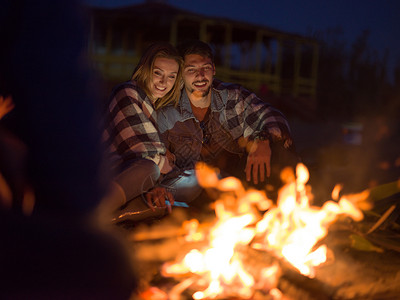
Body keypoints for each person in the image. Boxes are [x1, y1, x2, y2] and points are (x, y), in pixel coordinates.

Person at [158, 40, 299, 200]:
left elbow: (272, 115)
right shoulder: (168, 110)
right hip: (195, 187)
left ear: (214, 70)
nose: (201, 76)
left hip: (237, 178)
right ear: (181, 74)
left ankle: (284, 206)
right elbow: (156, 156)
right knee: (190, 183)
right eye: (192, 70)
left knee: (281, 153)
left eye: (206, 68)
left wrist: (262, 140)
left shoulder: (233, 97)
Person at [102, 42, 202, 222]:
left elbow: (158, 156)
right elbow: (144, 150)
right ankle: (92, 217)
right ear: (145, 69)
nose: (164, 82)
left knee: (195, 178)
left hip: (142, 175)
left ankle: (117, 217)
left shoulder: (155, 108)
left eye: (171, 76)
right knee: (149, 169)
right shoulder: (127, 92)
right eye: (158, 73)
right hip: (111, 173)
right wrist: (162, 165)